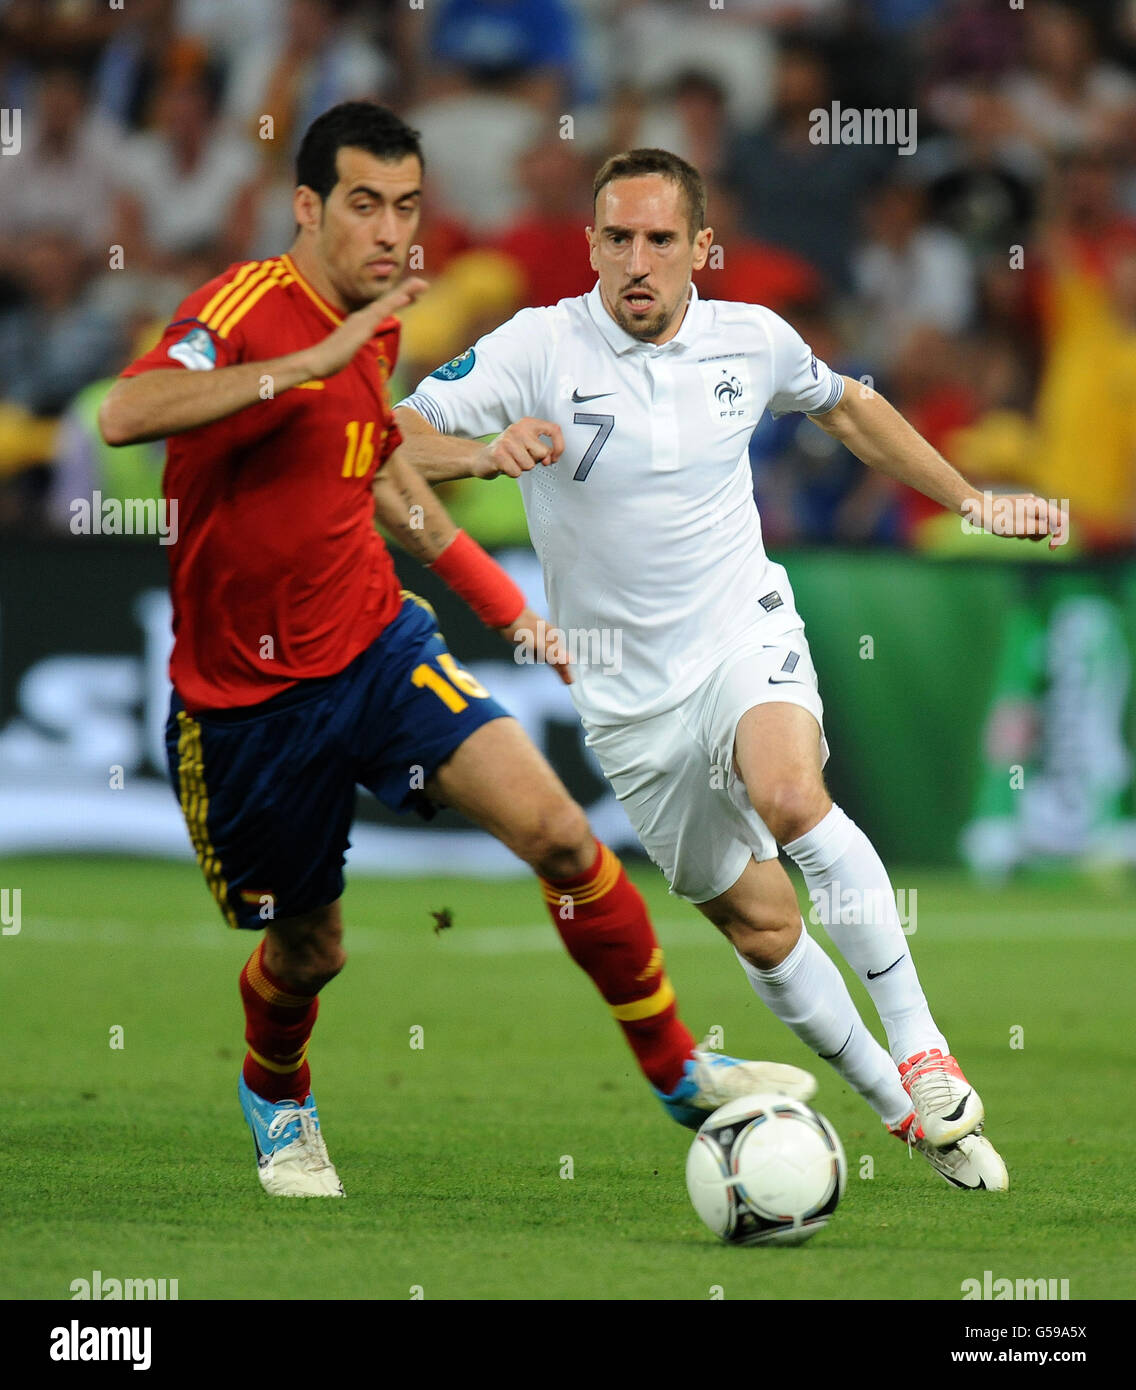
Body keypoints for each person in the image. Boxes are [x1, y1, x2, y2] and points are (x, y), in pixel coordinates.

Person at [97, 107, 813, 1199]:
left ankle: (678, 1074)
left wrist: (500, 600)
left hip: (378, 650)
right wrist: (303, 362)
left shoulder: (376, 323)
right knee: (310, 953)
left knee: (564, 841)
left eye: (407, 207)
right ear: (307, 208)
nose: (391, 231)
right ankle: (275, 1090)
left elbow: (381, 469)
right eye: (364, 204)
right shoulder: (248, 310)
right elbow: (127, 409)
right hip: (245, 703)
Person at [395, 148, 1067, 1191]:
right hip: (623, 695)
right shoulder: (534, 348)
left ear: (702, 249)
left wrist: (967, 499)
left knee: (790, 794)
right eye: (616, 237)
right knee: (761, 925)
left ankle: (924, 1049)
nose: (637, 259)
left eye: (661, 239)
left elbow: (845, 406)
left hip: (736, 629)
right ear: (589, 245)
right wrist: (477, 453)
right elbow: (387, 435)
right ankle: (904, 1114)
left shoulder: (751, 339)